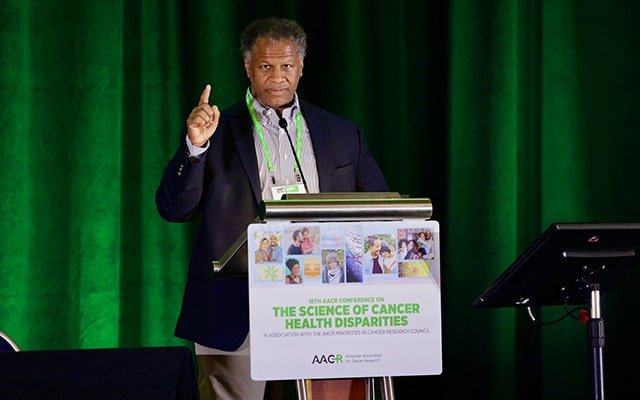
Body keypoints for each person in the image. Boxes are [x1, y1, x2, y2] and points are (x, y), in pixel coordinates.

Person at [155, 17, 389, 400]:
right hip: (235, 309)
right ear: (248, 66)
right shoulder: (217, 131)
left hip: (326, 305)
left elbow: (381, 211)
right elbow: (173, 208)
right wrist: (195, 147)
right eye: (266, 66)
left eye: (287, 66)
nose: (278, 77)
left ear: (301, 67)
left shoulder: (342, 133)